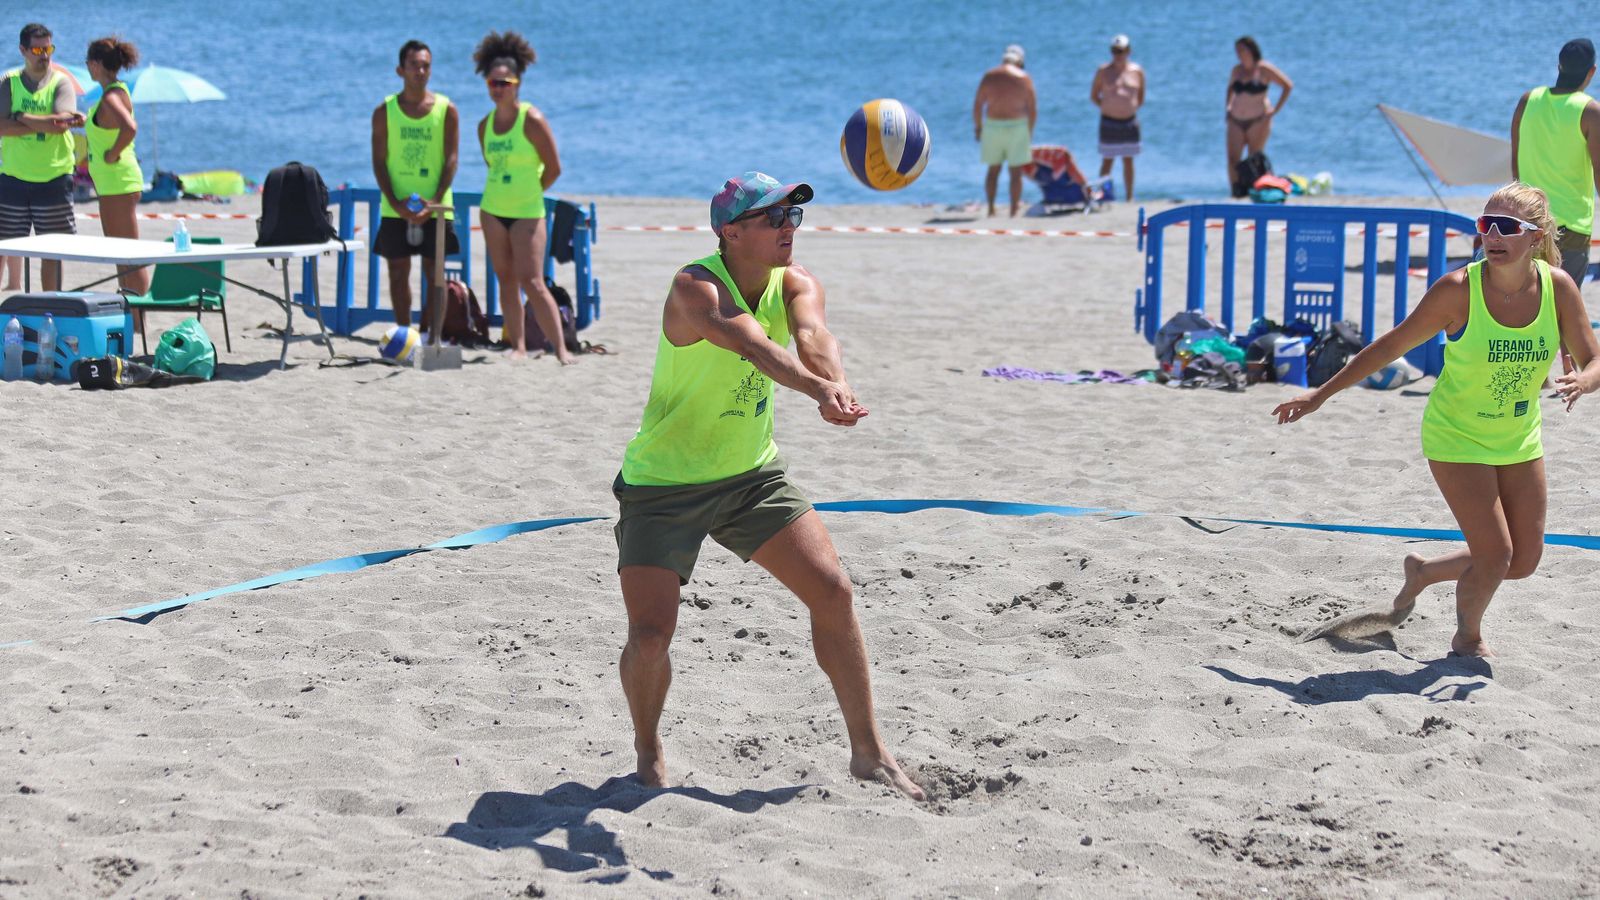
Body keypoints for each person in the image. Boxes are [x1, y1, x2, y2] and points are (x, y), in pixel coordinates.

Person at [613, 172, 924, 800]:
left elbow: (812, 338)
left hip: (752, 476)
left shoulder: (797, 280)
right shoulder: (694, 286)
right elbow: (751, 343)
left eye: (794, 217)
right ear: (730, 232)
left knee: (834, 591)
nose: (788, 227)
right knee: (650, 638)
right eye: (773, 217)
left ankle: (870, 753)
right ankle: (648, 749)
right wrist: (816, 391)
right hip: (663, 484)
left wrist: (835, 381)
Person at [1273, 183, 1600, 658]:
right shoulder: (1457, 290)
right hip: (1456, 437)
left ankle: (1424, 572)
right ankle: (1468, 638)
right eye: (1485, 224)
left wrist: (1584, 383)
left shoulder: (1558, 287)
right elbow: (1390, 346)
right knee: (1496, 555)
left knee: (1524, 560)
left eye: (1506, 227)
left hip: (1518, 438)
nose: (1492, 235)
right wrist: (1322, 394)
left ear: (1535, 236)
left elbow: (1593, 359)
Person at [473, 30, 570, 363]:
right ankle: (518, 346)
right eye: (493, 83)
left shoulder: (531, 119)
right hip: (492, 210)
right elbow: (492, 166)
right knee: (505, 279)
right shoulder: (484, 125)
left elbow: (554, 168)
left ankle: (560, 349)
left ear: (518, 83)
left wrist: (531, 193)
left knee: (533, 281)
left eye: (505, 82)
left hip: (529, 212)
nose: (498, 88)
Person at [370, 39, 460, 328]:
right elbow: (379, 161)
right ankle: (404, 334)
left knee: (435, 274)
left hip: (436, 206)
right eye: (414, 65)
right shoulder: (385, 111)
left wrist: (433, 204)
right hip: (395, 205)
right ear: (400, 70)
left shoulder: (446, 110)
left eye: (425, 66)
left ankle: (431, 337)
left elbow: (451, 160)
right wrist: (396, 202)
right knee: (397, 271)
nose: (420, 71)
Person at [0, 23, 84, 292]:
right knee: (4, 246)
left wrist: (21, 117)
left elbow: (62, 122)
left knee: (53, 251)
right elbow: (2, 127)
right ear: (23, 50)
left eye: (48, 48)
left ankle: (52, 304)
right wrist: (46, 122)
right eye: (37, 49)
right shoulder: (9, 82)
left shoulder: (61, 82)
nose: (44, 55)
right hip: (14, 177)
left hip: (54, 178)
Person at [1511, 38, 1600, 290]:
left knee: (1528, 301)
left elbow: (1515, 162)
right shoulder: (1590, 111)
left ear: (1558, 66)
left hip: (1529, 220)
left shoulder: (1527, 100)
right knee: (1563, 309)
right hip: (1571, 225)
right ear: (1591, 72)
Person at [84, 36, 148, 298]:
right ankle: (131, 318)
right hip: (112, 185)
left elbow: (129, 128)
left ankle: (140, 317)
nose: (87, 67)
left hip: (118, 183)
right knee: (121, 256)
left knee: (129, 255)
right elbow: (109, 127)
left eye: (88, 62)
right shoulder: (115, 92)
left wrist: (113, 153)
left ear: (97, 64)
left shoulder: (111, 96)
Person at [973, 44, 1036, 217]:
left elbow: (978, 105)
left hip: (993, 125)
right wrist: (1029, 132)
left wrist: (978, 127)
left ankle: (992, 208)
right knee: (1016, 173)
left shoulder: (990, 76)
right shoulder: (1024, 78)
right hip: (1017, 126)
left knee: (993, 170)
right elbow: (1032, 109)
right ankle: (1013, 210)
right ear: (1020, 62)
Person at [1225, 36, 1291, 197]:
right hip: (1236, 119)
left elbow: (1287, 86)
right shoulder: (1237, 70)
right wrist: (1227, 108)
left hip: (1258, 120)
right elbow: (1230, 89)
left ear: (1251, 50)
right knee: (1233, 158)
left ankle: (1255, 191)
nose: (1239, 54)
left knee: (1254, 157)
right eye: (1237, 51)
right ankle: (1236, 191)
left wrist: (1275, 110)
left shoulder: (1263, 69)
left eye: (1242, 50)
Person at [1091, 34, 1144, 201]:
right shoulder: (1103, 71)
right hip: (1109, 121)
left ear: (1128, 51)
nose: (1118, 55)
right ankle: (1102, 195)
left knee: (1128, 160)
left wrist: (1128, 108)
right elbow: (1094, 95)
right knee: (1107, 160)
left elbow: (1141, 96)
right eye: (1115, 51)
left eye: (1121, 51)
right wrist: (1108, 107)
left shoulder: (1137, 71)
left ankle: (1129, 196)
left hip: (1129, 121)